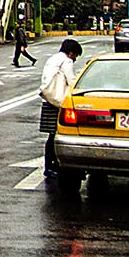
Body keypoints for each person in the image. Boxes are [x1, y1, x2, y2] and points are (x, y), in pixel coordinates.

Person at [39, 38, 84, 178]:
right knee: (57, 136)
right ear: (71, 53)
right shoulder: (67, 61)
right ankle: (54, 166)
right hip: (59, 102)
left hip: (48, 99)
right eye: (76, 55)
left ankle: (48, 166)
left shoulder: (53, 59)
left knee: (51, 136)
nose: (75, 58)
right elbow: (71, 81)